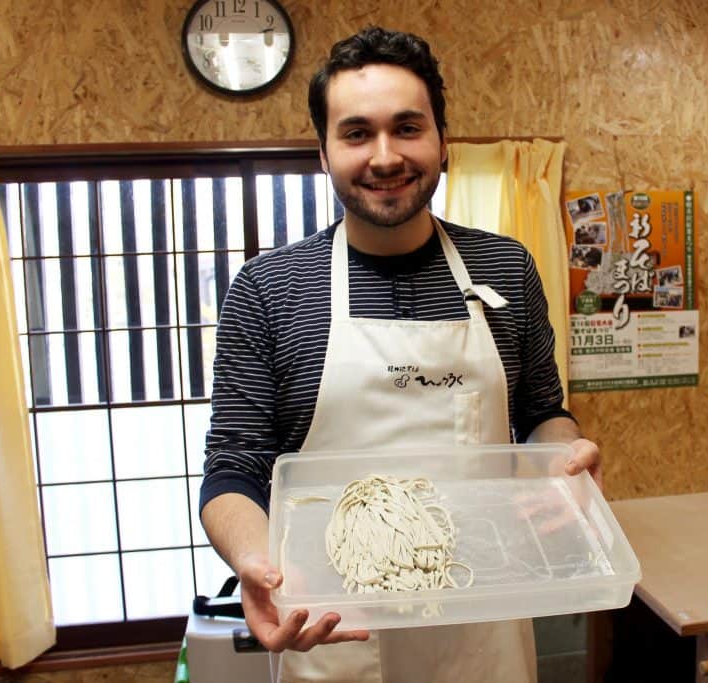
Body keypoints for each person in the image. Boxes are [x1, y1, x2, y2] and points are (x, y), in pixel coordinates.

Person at [199, 25, 601, 683]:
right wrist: (256, 561)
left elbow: (540, 413)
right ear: (323, 153)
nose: (384, 156)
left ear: (443, 141)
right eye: (356, 133)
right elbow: (233, 468)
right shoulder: (269, 290)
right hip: (334, 632)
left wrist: (564, 455)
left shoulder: (504, 266)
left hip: (485, 630)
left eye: (407, 128)